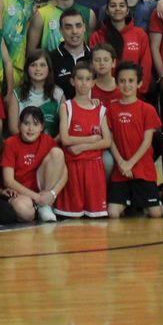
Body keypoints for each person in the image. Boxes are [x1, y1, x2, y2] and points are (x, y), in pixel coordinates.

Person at [54, 59, 110, 219]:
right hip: (73, 167)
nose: (84, 83)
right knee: (73, 217)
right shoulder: (66, 107)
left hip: (94, 168)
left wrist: (82, 147)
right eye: (80, 78)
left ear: (93, 83)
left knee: (96, 220)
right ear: (72, 81)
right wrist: (92, 139)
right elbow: (65, 139)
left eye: (88, 79)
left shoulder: (100, 109)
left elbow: (107, 141)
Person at [105, 63, 161, 218]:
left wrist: (130, 163)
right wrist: (121, 163)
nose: (126, 85)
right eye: (122, 81)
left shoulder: (147, 109)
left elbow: (147, 141)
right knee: (113, 213)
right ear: (117, 83)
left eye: (131, 81)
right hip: (121, 170)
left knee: (156, 213)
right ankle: (130, 204)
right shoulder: (111, 109)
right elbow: (110, 140)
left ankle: (140, 203)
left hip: (143, 170)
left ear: (139, 83)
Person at [1, 106, 65, 223]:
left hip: (42, 189)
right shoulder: (10, 143)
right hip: (21, 192)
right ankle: (39, 207)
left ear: (42, 127)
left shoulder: (47, 140)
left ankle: (44, 206)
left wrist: (52, 194)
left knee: (58, 153)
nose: (30, 129)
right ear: (19, 125)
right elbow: (8, 181)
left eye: (35, 124)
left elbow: (64, 172)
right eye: (26, 124)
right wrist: (37, 197)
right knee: (25, 212)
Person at [91, 0, 152, 95]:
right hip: (104, 92)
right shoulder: (97, 36)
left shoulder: (140, 34)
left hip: (133, 94)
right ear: (107, 11)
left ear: (127, 11)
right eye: (113, 6)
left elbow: (146, 65)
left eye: (122, 5)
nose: (117, 9)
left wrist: (140, 90)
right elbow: (93, 67)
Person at [10, 49, 63, 136]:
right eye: (33, 65)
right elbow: (13, 128)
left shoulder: (58, 93)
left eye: (42, 65)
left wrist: (50, 143)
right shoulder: (16, 94)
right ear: (27, 68)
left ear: (49, 68)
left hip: (51, 143)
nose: (38, 69)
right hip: (23, 143)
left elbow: (64, 130)